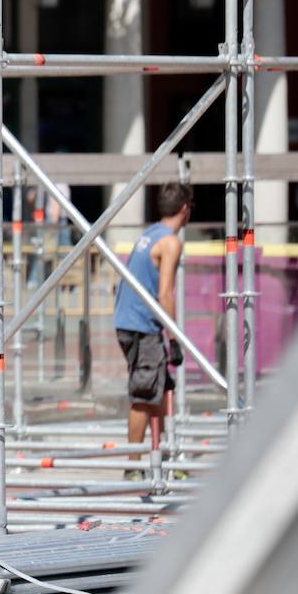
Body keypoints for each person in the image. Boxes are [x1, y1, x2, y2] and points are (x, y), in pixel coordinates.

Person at [113, 181, 191, 478]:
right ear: (185, 209)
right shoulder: (170, 241)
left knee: (161, 389)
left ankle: (166, 457)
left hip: (131, 321)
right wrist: (174, 337)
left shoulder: (149, 233)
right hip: (141, 325)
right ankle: (133, 466)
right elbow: (165, 293)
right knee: (145, 394)